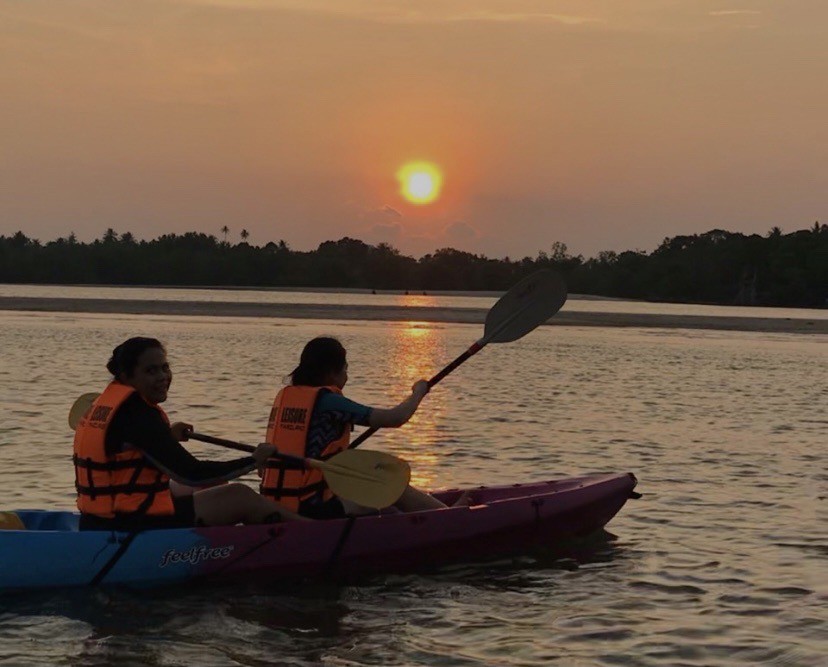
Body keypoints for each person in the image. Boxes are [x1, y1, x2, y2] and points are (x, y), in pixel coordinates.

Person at [73, 337, 306, 531]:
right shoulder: (140, 415)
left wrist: (167, 436)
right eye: (150, 371)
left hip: (95, 521)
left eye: (165, 367)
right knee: (239, 494)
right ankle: (315, 532)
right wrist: (255, 460)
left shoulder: (107, 404)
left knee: (211, 486)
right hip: (132, 526)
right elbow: (192, 474)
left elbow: (127, 448)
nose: (163, 377)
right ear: (126, 375)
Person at [260, 336, 469, 519]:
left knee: (370, 486)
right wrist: (419, 392)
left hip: (276, 502)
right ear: (332, 372)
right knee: (392, 488)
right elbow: (394, 418)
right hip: (313, 507)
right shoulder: (328, 401)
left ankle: (412, 517)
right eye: (345, 370)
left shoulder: (286, 398)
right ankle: (450, 517)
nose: (346, 377)